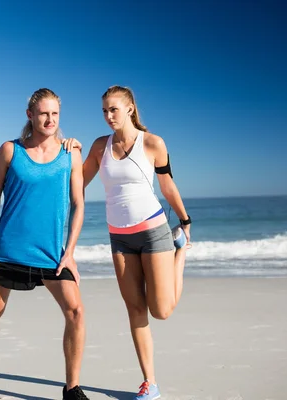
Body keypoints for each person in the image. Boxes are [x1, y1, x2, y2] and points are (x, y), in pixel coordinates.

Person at [0, 88, 88, 400]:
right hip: (8, 249)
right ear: (30, 115)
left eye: (54, 114)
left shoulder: (71, 154)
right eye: (43, 113)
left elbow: (79, 204)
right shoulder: (10, 151)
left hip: (52, 254)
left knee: (76, 311)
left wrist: (70, 251)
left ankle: (72, 387)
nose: (49, 119)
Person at [64, 85, 191, 400]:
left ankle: (181, 255)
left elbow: (168, 185)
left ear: (130, 108)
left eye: (114, 109)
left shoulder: (152, 144)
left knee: (160, 310)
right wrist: (70, 152)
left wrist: (185, 221)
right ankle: (150, 382)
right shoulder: (99, 146)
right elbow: (77, 182)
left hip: (153, 231)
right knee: (135, 308)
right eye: (104, 111)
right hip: (119, 237)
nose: (108, 116)